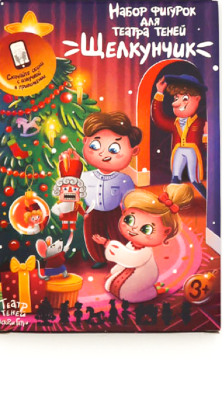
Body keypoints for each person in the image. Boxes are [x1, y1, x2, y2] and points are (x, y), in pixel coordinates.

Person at [93, 183, 194, 303]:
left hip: (142, 279)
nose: (133, 228)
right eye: (129, 219)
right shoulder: (131, 245)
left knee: (127, 295)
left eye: (146, 229)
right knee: (110, 284)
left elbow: (129, 259)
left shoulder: (145, 252)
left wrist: (107, 243)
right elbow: (125, 261)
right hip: (131, 273)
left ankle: (151, 292)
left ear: (166, 232)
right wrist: (114, 272)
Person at [81, 112, 143, 269]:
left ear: (134, 151)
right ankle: (99, 257)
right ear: (85, 141)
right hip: (92, 212)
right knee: (93, 235)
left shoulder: (124, 180)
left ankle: (123, 256)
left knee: (118, 233)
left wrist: (128, 211)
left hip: (115, 211)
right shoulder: (85, 176)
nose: (103, 154)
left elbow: (129, 199)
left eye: (114, 149)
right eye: (95, 146)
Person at [151, 72, 208, 196]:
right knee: (175, 178)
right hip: (177, 151)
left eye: (185, 99)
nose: (176, 103)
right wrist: (159, 93)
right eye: (176, 98)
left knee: (195, 179)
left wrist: (205, 136)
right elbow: (158, 118)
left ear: (197, 99)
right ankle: (172, 199)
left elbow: (207, 146)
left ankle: (208, 199)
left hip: (193, 152)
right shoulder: (174, 123)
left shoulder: (201, 122)